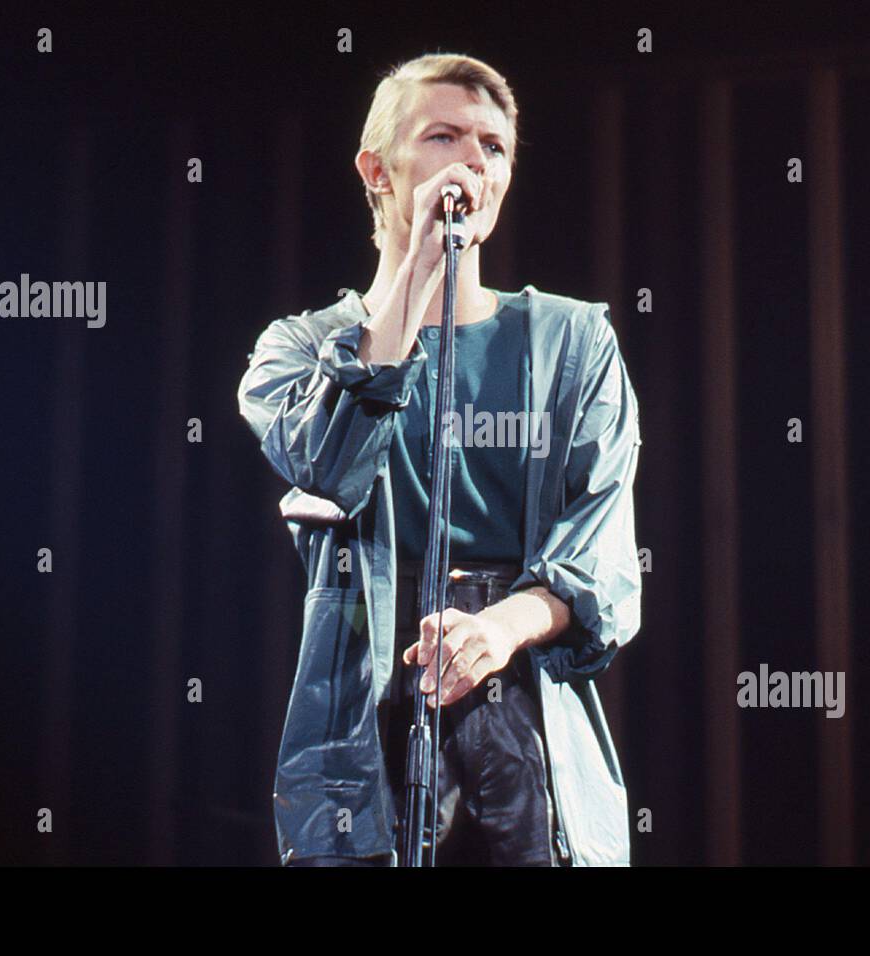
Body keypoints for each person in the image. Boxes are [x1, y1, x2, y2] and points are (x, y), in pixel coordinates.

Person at [237, 52, 642, 866]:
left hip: (522, 700)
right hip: (371, 695)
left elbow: (602, 551)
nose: (472, 162)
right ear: (377, 170)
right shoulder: (299, 349)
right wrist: (416, 272)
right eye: (444, 136)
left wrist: (499, 626)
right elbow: (329, 463)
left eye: (493, 147)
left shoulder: (572, 341)